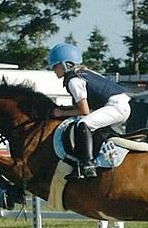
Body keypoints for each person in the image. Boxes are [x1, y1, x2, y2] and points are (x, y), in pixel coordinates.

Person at [47, 43, 131, 180]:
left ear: (65, 64)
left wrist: (61, 113)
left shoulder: (73, 80)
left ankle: (87, 165)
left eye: (55, 66)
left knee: (83, 124)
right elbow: (84, 108)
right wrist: (64, 109)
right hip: (119, 105)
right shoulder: (83, 73)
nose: (53, 70)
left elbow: (84, 111)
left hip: (116, 106)